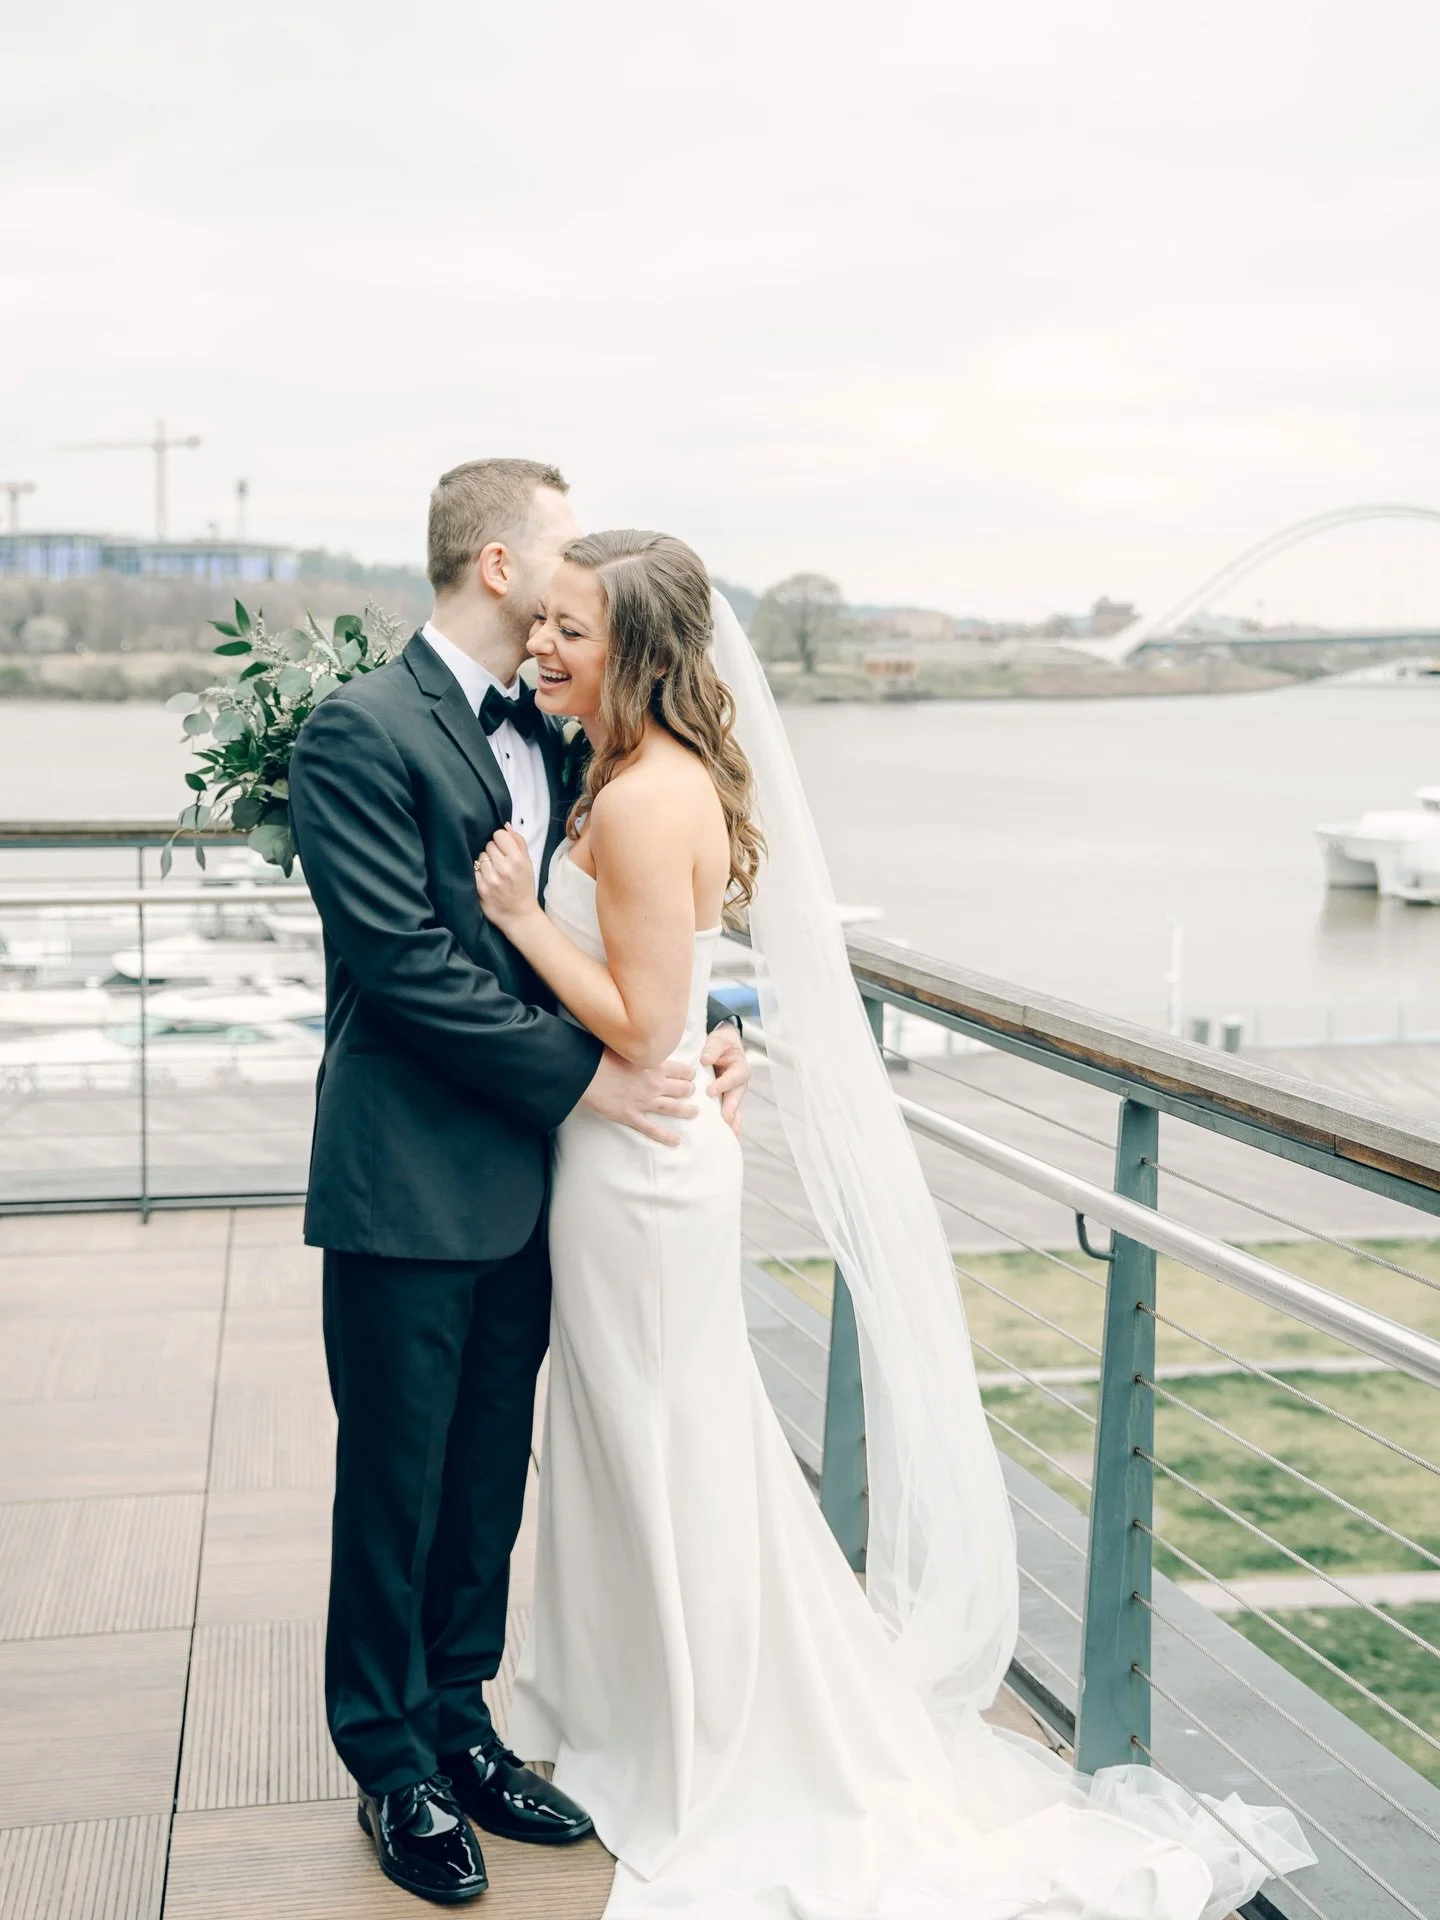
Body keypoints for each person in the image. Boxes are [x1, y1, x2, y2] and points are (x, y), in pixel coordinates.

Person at [472, 529, 1315, 1919]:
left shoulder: (634, 800)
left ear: (643, 653)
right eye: (540, 622)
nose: (541, 647)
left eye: (571, 629)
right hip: (645, 1154)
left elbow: (629, 1016)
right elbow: (684, 994)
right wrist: (713, 1031)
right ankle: (644, 1704)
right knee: (659, 1437)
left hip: (640, 1171)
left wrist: (516, 915)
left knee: (662, 1440)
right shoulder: (630, 774)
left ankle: (697, 1731)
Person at [287, 462, 750, 1906]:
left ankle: (462, 1720)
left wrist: (704, 1037)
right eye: (556, 561)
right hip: (410, 1180)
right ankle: (389, 1762)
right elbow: (406, 969)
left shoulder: (583, 741)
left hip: (545, 1188)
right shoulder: (356, 731)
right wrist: (598, 1077)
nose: (564, 606)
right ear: (500, 568)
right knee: (396, 1483)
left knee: (489, 1475)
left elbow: (634, 943)